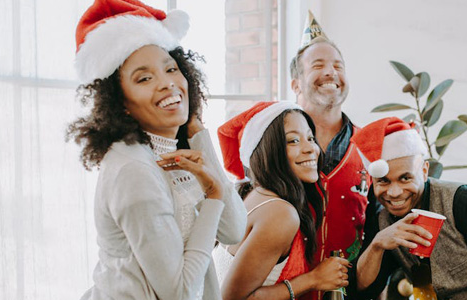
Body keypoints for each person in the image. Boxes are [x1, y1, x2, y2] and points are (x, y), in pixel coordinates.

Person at [68, 1, 247, 299]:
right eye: (144, 78)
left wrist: (200, 136)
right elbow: (179, 292)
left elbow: (234, 231)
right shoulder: (133, 169)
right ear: (120, 103)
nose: (167, 84)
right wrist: (213, 196)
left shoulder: (173, 150)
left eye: (171, 69)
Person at [348, 117, 467, 299]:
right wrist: (377, 244)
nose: (394, 192)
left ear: (425, 171)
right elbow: (363, 290)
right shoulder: (382, 220)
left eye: (405, 178)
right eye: (384, 181)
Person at [214, 101, 350, 300]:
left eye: (310, 138)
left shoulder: (254, 194)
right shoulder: (280, 213)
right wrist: (314, 279)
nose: (311, 148)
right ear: (268, 151)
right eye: (293, 141)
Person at [289, 11, 369, 265]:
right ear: (296, 85)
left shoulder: (369, 145)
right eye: (317, 65)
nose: (331, 73)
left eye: (338, 66)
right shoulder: (273, 145)